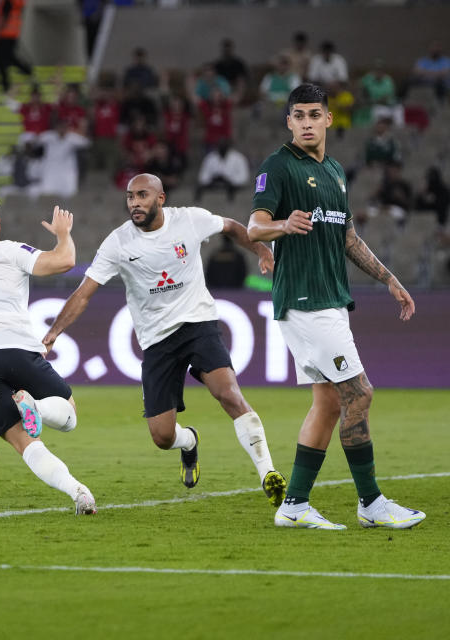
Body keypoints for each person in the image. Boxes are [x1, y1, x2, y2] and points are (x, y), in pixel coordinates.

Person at [42, 173, 286, 505]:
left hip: (198, 324)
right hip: (157, 341)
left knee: (228, 393)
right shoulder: (118, 242)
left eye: (142, 195)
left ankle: (268, 473)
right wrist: (53, 333)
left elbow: (229, 226)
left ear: (160, 198)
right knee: (161, 436)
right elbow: (84, 293)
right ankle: (189, 442)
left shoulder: (189, 220)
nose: (134, 203)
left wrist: (259, 248)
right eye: (130, 197)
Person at [247, 83, 425, 530]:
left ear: (329, 119)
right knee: (360, 393)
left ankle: (293, 506)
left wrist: (388, 278)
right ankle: (371, 502)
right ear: (289, 122)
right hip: (306, 301)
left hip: (329, 300)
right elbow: (254, 226)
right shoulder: (279, 166)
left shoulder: (336, 173)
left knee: (328, 403)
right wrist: (283, 225)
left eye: (314, 114)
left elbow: (347, 237)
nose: (306, 122)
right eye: (298, 115)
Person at [0, 196, 96, 515]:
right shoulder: (10, 250)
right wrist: (63, 234)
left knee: (23, 442)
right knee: (68, 415)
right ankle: (34, 405)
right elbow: (63, 261)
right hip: (13, 345)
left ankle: (78, 492)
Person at [0, 0, 33, 95]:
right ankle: (26, 70)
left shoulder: (8, 1)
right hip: (12, 33)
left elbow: (5, 15)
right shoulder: (17, 2)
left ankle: (6, 86)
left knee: (0, 59)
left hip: (4, 33)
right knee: (9, 57)